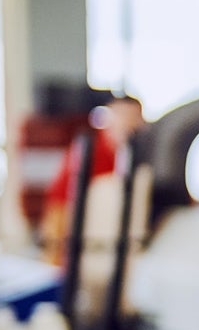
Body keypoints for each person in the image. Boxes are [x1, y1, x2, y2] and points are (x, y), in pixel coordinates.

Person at [41, 94, 142, 259]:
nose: (128, 124)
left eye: (134, 118)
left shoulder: (133, 150)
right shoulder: (90, 149)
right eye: (123, 117)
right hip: (66, 209)